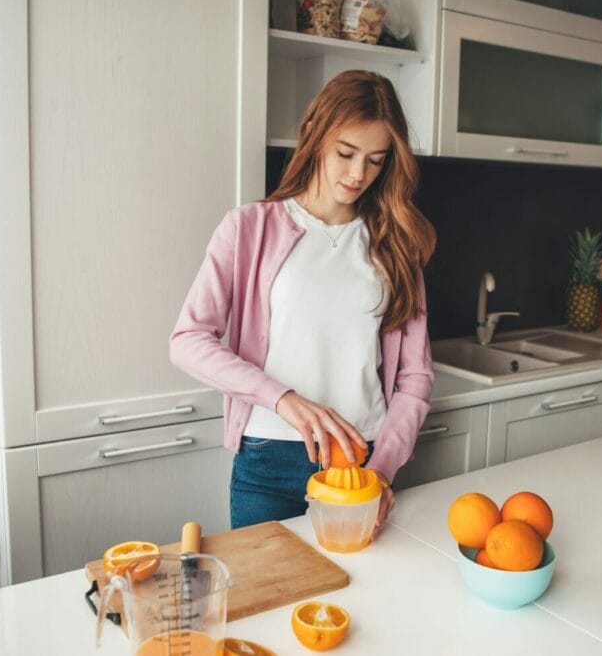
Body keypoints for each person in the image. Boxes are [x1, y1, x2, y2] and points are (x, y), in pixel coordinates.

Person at [170, 70, 436, 537]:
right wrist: (283, 399)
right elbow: (188, 341)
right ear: (314, 135)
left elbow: (415, 378)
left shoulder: (397, 245)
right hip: (268, 460)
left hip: (362, 462)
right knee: (270, 603)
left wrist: (383, 469)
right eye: (346, 153)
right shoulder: (249, 228)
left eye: (376, 160)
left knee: (360, 601)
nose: (358, 175)